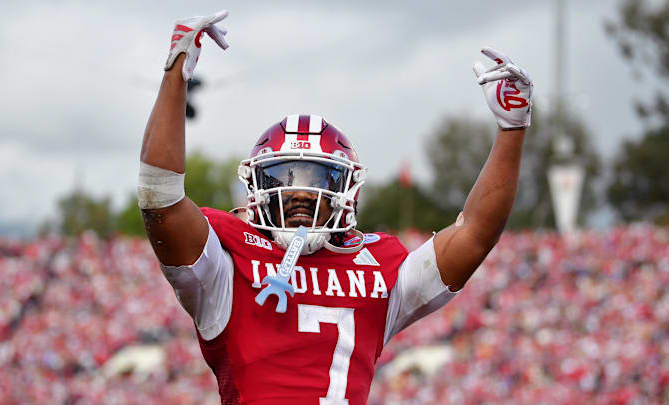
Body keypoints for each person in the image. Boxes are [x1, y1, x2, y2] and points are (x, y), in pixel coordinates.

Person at [137, 10, 533, 405]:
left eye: (318, 179)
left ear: (348, 188)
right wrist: (176, 74)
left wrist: (510, 130)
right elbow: (161, 197)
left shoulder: (381, 269)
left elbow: (475, 233)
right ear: (256, 185)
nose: (303, 193)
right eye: (285, 178)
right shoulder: (226, 264)